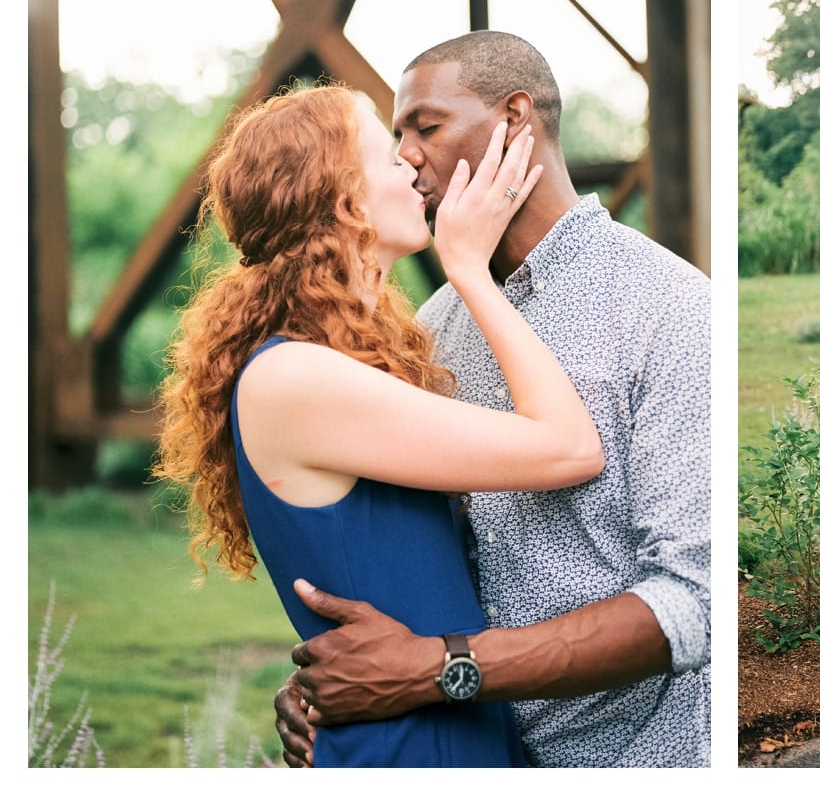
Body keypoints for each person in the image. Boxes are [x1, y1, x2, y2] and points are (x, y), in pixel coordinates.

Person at [272, 30, 712, 767]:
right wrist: (335, 680)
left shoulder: (669, 307)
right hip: (472, 751)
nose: (406, 154)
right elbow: (423, 556)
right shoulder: (433, 328)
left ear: (515, 120)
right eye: (397, 134)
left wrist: (438, 667)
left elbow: (694, 603)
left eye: (427, 126)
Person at [151, 83, 606, 766]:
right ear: (347, 201)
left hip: (443, 731)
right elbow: (570, 447)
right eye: (387, 154)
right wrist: (471, 273)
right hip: (407, 751)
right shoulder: (294, 377)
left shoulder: (343, 364)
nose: (412, 164)